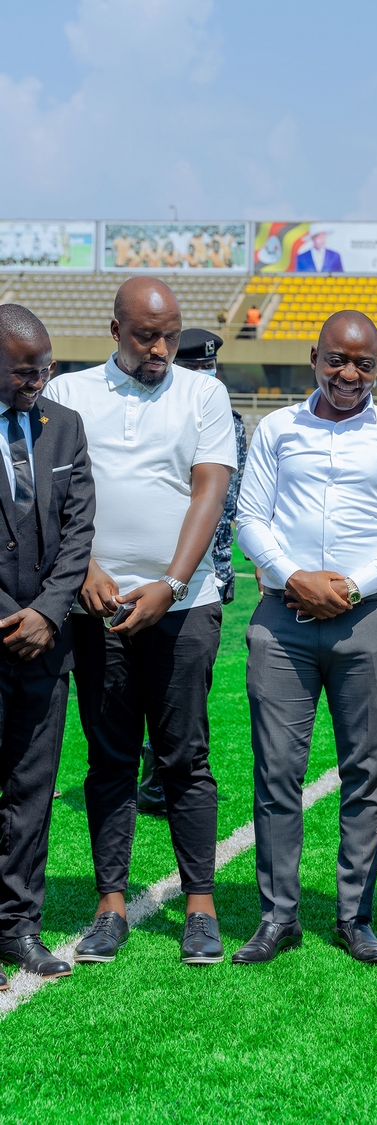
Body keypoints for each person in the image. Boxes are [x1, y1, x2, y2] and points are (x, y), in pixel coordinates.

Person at [43, 278, 237, 966]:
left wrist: (173, 582)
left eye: (171, 334)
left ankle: (202, 905)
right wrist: (85, 569)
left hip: (184, 606)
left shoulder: (203, 393)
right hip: (94, 607)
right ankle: (110, 903)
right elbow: (56, 493)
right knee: (110, 758)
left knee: (185, 756)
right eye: (146, 335)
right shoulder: (68, 394)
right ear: (115, 328)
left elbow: (209, 487)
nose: (161, 348)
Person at [234, 310, 377, 966]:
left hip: (364, 619)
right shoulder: (276, 428)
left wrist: (351, 585)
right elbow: (249, 517)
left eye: (364, 363)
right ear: (314, 356)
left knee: (365, 773)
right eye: (337, 360)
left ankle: (355, 916)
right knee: (277, 773)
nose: (350, 374)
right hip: (282, 621)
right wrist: (295, 578)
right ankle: (278, 916)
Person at [0, 306, 95, 987]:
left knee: (32, 794)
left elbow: (79, 528)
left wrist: (47, 613)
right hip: (8, 632)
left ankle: (17, 928)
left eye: (45, 368)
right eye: (24, 370)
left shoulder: (65, 425)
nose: (39, 380)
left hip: (45, 648)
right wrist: (12, 617)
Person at [137, 328, 248, 818]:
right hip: (158, 567)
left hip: (208, 574)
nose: (205, 376)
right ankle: (155, 779)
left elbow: (228, 501)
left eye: (210, 368)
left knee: (186, 688)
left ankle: (164, 779)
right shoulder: (160, 411)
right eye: (196, 367)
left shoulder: (231, 420)